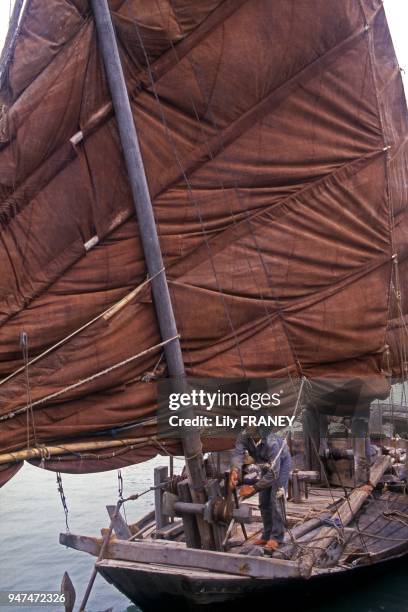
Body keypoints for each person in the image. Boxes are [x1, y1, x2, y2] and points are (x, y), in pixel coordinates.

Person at [229, 427, 292, 551]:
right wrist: (235, 470)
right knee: (263, 502)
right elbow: (238, 454)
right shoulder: (244, 435)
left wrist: (253, 488)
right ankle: (267, 534)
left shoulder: (271, 442)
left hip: (281, 464)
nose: (247, 425)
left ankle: (276, 537)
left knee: (275, 500)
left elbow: (274, 473)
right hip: (264, 465)